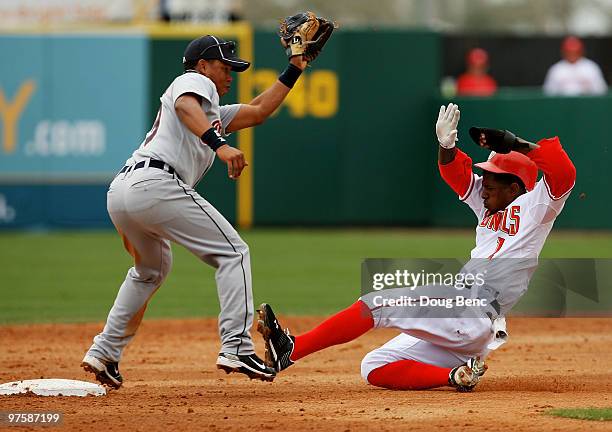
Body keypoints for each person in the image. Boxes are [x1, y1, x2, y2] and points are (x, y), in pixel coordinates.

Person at [257, 103, 576, 391]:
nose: (484, 181)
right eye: (484, 175)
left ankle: (290, 350)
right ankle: (455, 376)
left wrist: (513, 144)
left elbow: (564, 171)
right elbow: (456, 174)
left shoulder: (538, 206)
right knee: (373, 366)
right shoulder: (488, 202)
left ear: (515, 185)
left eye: (492, 176)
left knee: (376, 304)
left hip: (471, 310)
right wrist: (446, 146)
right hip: (466, 326)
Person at [81, 34, 311, 388]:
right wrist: (220, 146)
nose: (230, 74)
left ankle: (105, 351)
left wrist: (294, 67)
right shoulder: (192, 81)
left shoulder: (215, 112)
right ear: (203, 65)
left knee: (150, 270)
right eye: (225, 67)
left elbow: (260, 110)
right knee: (233, 253)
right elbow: (185, 106)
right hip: (155, 184)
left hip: (124, 191)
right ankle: (235, 345)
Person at [543, 36, 607, 96]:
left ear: (581, 52)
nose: (572, 55)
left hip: (587, 104)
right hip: (562, 105)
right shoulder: (556, 69)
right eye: (569, 52)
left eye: (575, 52)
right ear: (563, 52)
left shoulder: (591, 67)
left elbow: (601, 90)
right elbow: (549, 92)